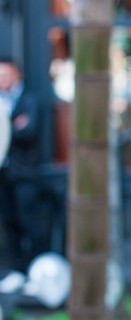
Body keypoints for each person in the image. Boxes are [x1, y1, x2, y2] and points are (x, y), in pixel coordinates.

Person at [0, 58, 47, 288]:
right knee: (10, 222)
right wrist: (12, 125)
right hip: (4, 174)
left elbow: (28, 131)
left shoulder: (29, 99)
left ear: (16, 75)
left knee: (29, 221)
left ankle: (37, 270)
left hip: (25, 175)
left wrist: (7, 128)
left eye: (5, 75)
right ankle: (18, 270)